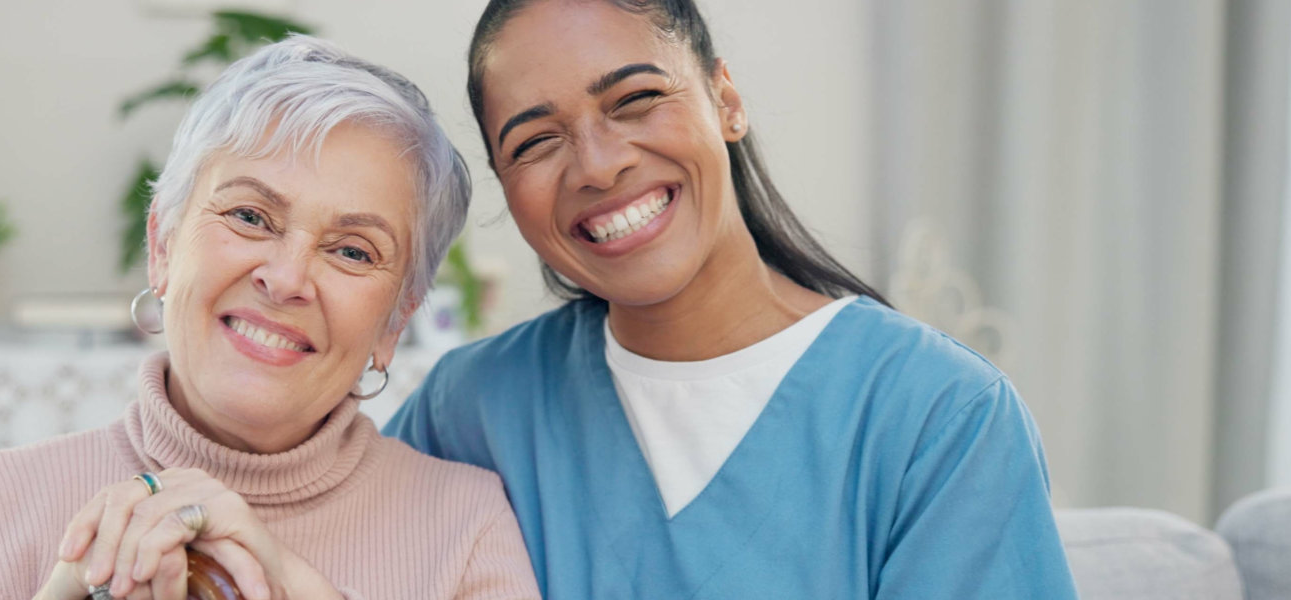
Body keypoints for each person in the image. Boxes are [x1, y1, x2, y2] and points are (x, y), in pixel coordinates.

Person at [386, 1, 1079, 597]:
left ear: (727, 101)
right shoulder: (470, 409)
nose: (599, 166)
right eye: (536, 141)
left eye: (634, 100)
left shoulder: (940, 418)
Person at [0, 35, 539, 600]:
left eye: (351, 251)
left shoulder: (467, 526)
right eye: (250, 216)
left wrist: (291, 583)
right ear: (163, 247)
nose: (286, 279)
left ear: (395, 323)